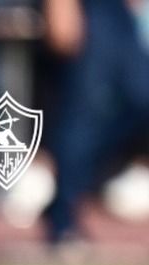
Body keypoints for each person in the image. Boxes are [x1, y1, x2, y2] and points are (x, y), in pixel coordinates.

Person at [42, 0, 149, 245]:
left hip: (116, 11)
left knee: (141, 98)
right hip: (87, 8)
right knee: (83, 115)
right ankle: (63, 222)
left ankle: (66, 190)